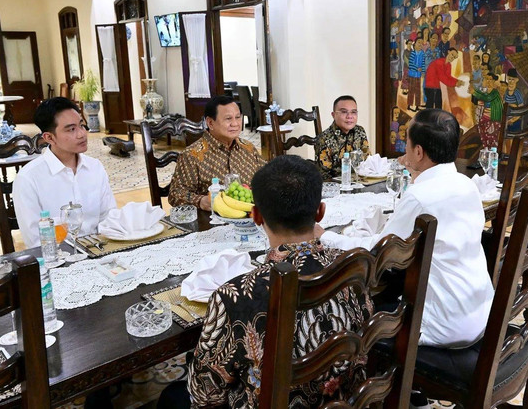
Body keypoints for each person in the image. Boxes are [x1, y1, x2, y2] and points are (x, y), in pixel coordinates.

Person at [158, 156, 374, 408]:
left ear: (256, 216)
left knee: (172, 397)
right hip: (345, 401)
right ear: (320, 211)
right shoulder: (356, 267)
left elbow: (205, 395)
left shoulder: (235, 296)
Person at [315, 109, 494, 349]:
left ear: (419, 152)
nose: (405, 150)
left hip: (442, 324)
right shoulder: (467, 185)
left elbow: (379, 252)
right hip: (479, 313)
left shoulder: (420, 197)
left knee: (349, 312)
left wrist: (326, 236)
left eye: (407, 144)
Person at [12, 97, 116, 248]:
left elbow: (109, 218)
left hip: (100, 252)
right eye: (71, 129)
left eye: (81, 125)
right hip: (59, 261)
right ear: (49, 137)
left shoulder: (95, 167)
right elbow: (36, 241)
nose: (81, 134)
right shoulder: (28, 179)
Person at [168, 95, 265, 210]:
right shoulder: (192, 155)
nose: (235, 124)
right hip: (213, 220)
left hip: (251, 215)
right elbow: (175, 194)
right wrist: (200, 201)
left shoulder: (248, 148)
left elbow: (267, 176)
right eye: (228, 119)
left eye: (238, 117)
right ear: (210, 123)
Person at [314, 95, 370, 178]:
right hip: (336, 186)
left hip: (361, 182)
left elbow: (367, 162)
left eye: (353, 112)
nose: (349, 116)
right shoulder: (324, 139)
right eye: (344, 112)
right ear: (333, 115)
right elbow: (323, 176)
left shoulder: (360, 131)